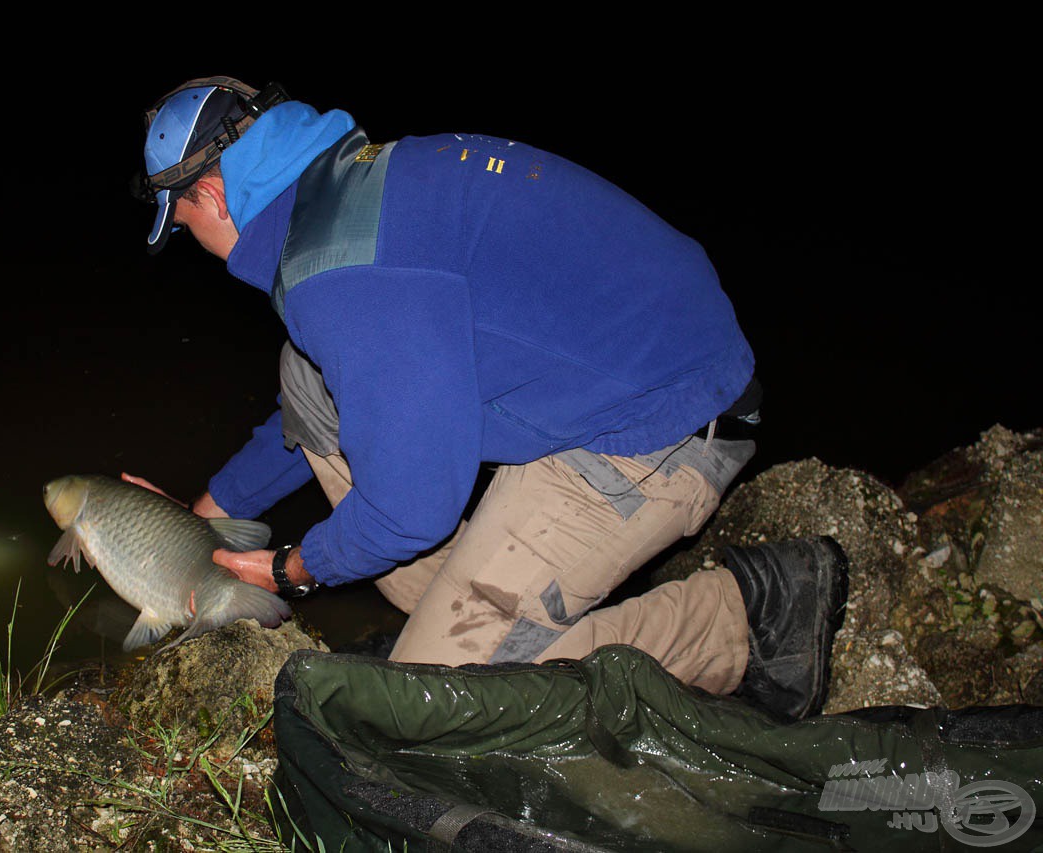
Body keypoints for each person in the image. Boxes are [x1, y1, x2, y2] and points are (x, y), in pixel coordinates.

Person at [131, 76, 849, 719]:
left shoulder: (344, 278)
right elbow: (320, 391)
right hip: (596, 379)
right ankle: (490, 612)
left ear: (212, 198)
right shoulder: (343, 192)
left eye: (182, 222)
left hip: (660, 420)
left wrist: (291, 566)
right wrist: (209, 515)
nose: (192, 239)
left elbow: (412, 511)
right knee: (309, 376)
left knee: (431, 702)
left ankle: (747, 616)